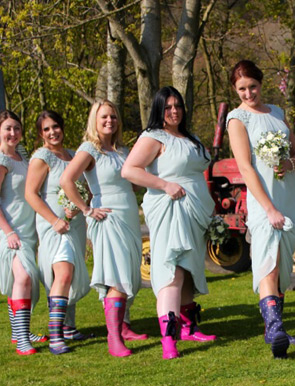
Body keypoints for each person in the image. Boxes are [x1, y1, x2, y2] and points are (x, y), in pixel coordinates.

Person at [121, 86, 216, 359]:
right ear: (159, 110)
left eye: (178, 106)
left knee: (188, 267)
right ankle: (168, 338)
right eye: (168, 107)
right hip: (170, 208)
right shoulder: (153, 137)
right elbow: (130, 170)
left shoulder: (190, 137)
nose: (174, 111)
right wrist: (164, 185)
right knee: (172, 269)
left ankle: (187, 327)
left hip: (195, 211)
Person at [227, 60, 295, 359]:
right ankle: (274, 329)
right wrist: (269, 208)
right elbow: (246, 168)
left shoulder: (277, 113)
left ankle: (275, 327)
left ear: (261, 84)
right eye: (242, 89)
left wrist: (289, 163)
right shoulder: (237, 119)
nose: (249, 94)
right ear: (236, 91)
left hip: (287, 195)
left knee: (283, 264)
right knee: (268, 262)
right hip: (264, 201)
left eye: (253, 87)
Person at [60, 100, 148, 358]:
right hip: (107, 217)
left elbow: (132, 182)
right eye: (104, 117)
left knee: (130, 274)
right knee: (117, 276)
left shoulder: (123, 150)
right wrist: (86, 209)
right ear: (94, 121)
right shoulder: (90, 149)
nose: (109, 121)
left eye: (113, 117)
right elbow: (67, 180)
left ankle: (123, 327)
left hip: (129, 213)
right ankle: (113, 339)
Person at [25, 110, 91, 355]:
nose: (53, 132)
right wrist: (54, 220)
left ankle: (68, 326)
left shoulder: (74, 155)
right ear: (41, 134)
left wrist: (80, 205)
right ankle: (55, 336)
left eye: (56, 126)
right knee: (62, 274)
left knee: (71, 273)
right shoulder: (42, 157)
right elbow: (30, 194)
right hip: (54, 225)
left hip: (75, 223)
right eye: (46, 129)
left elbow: (83, 187)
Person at [0, 111, 43, 355]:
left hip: (28, 228)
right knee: (23, 278)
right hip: (11, 230)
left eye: (16, 128)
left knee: (23, 282)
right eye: (7, 128)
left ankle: (21, 332)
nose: (12, 133)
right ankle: (22, 339)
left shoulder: (22, 158)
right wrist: (8, 232)